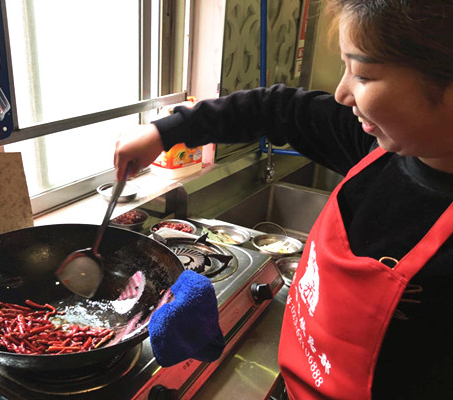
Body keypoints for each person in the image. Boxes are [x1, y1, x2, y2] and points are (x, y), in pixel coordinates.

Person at [113, 0, 453, 399]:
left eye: (363, 74)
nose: (342, 93)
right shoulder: (374, 148)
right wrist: (165, 131)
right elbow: (277, 109)